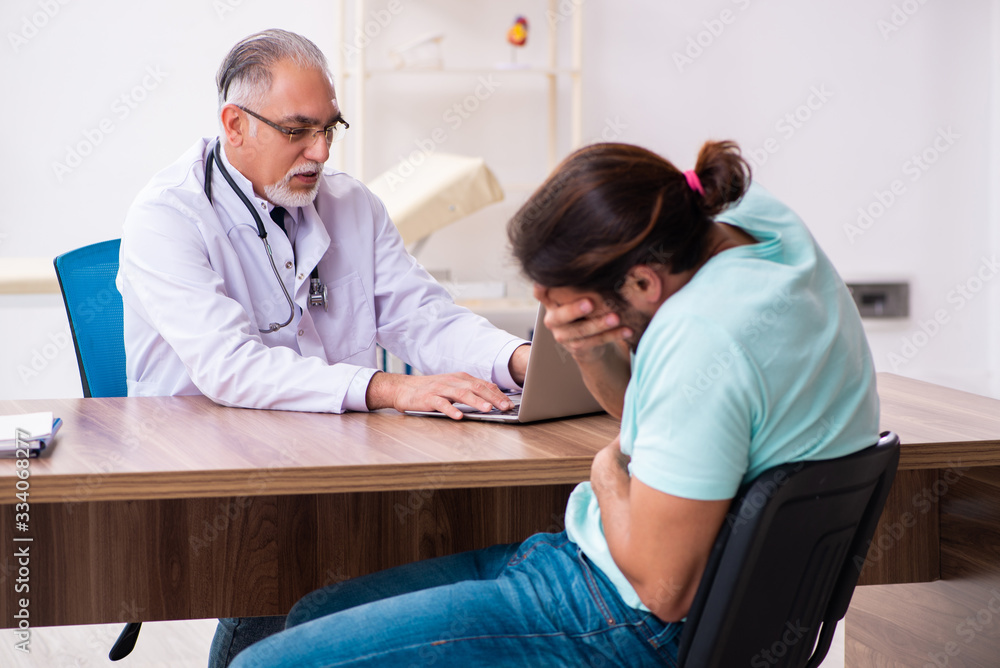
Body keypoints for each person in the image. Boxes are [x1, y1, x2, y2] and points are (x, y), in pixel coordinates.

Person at [228, 140, 881, 667]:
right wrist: (597, 351)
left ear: (646, 283)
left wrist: (605, 471)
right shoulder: (755, 222)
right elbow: (670, 431)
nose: (562, 320)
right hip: (605, 568)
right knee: (316, 614)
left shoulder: (700, 342)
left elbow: (663, 588)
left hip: (619, 618)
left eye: (579, 308)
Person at [115, 29, 530, 668]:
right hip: (216, 477)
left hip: (336, 458)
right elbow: (229, 367)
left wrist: (517, 360)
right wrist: (391, 387)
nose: (320, 151)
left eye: (330, 129)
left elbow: (422, 316)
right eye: (299, 130)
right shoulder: (168, 215)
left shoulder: (350, 204)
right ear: (235, 124)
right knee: (295, 554)